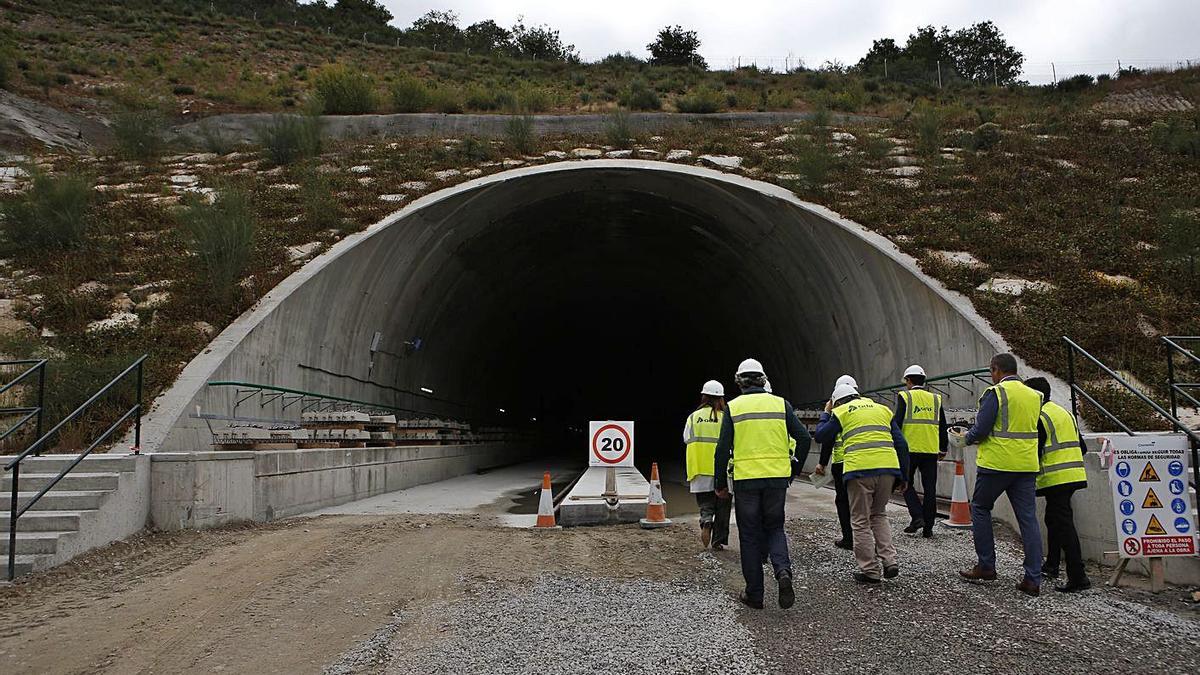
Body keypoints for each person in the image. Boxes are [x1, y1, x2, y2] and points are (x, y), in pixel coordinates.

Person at [714, 358, 812, 609]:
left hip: (747, 480)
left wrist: (719, 483)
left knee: (749, 535)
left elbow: (723, 449)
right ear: (763, 379)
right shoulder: (781, 404)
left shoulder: (734, 408)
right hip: (776, 479)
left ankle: (755, 594)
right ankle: (782, 572)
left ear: (739, 382)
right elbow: (802, 437)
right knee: (775, 527)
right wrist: (793, 470)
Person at [957, 353, 1044, 597]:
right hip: (1026, 465)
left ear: (996, 370)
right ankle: (1032, 578)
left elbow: (982, 429)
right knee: (1028, 519)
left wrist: (965, 439)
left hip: (997, 464)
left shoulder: (995, 394)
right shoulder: (1034, 396)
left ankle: (986, 566)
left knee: (981, 508)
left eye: (991, 372)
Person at [814, 381, 910, 584]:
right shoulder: (882, 409)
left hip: (859, 471)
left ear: (838, 401)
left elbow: (822, 435)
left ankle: (870, 571)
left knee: (860, 520)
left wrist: (826, 413)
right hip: (888, 469)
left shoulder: (843, 411)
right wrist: (904, 475)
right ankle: (890, 561)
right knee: (879, 514)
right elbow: (901, 443)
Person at [1024, 376, 1092, 593]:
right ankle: (1051, 565)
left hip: (1056, 477)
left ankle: (1078, 576)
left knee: (1063, 525)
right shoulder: (1065, 413)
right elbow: (1082, 447)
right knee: (1053, 519)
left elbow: (1034, 451)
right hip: (1073, 475)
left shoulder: (1039, 417)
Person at [895, 365, 948, 538]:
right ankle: (928, 527)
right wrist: (943, 447)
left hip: (909, 450)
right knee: (930, 488)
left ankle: (918, 516)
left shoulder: (905, 396)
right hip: (930, 450)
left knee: (905, 483)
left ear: (908, 381)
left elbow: (897, 422)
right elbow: (942, 425)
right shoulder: (935, 399)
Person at [683, 379, 732, 550]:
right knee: (723, 505)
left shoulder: (694, 417)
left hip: (699, 468)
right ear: (721, 398)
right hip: (723, 469)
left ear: (704, 396)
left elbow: (686, 438)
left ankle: (706, 521)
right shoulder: (726, 417)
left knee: (705, 502)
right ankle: (718, 540)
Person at [813, 374, 857, 550]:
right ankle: (867, 538)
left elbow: (826, 438)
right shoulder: (867, 408)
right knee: (863, 502)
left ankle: (849, 538)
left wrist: (823, 463)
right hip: (863, 461)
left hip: (842, 463)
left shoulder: (838, 412)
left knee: (843, 501)